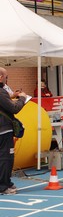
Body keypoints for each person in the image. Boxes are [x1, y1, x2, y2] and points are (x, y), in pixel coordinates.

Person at [0, 66, 28, 195]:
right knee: (6, 157)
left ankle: (5, 183)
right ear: (1, 77)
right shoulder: (1, 91)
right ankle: (4, 185)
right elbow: (13, 108)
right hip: (3, 130)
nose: (6, 80)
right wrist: (22, 98)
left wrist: (12, 95)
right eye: (6, 77)